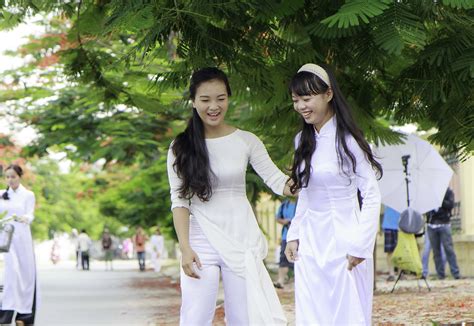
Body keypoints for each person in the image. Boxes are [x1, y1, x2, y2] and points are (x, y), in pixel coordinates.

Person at [167, 67, 292, 325]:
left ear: (228, 98)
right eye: (205, 100)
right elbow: (179, 200)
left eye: (220, 98)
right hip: (200, 240)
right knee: (196, 317)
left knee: (243, 318)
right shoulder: (181, 147)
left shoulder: (246, 141)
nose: (214, 106)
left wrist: (303, 180)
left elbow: (278, 181)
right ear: (193, 102)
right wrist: (185, 248)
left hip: (240, 239)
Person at [284, 63, 382, 325]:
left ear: (328, 94)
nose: (301, 106)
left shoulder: (349, 140)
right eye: (296, 100)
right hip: (311, 240)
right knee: (312, 312)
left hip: (344, 236)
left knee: (346, 312)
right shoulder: (301, 142)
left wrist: (361, 244)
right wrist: (294, 234)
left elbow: (371, 194)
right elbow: (306, 192)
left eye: (307, 98)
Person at [0, 164, 38, 326]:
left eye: (13, 177)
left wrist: (25, 219)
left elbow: (30, 214)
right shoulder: (1, 194)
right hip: (4, 237)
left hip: (21, 236)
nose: (10, 180)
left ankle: (23, 315)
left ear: (19, 177)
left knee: (24, 273)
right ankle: (5, 311)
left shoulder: (28, 195)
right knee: (9, 271)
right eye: (7, 177)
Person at [426, 187, 461, 279]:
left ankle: (455, 273)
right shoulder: (429, 193)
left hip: (444, 223)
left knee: (448, 249)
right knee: (436, 251)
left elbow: (450, 205)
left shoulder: (448, 192)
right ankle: (440, 274)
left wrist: (440, 199)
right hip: (432, 224)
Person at [274, 197, 297, 289]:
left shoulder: (301, 202)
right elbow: (278, 218)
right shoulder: (284, 204)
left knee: (298, 258)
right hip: (286, 235)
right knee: (283, 258)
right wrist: (285, 221)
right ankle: (281, 281)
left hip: (300, 236)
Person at [381, 205, 400, 281]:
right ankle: (391, 273)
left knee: (400, 251)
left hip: (400, 226)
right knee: (389, 251)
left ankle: (400, 272)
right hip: (388, 225)